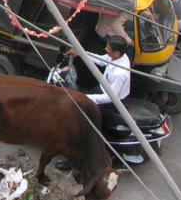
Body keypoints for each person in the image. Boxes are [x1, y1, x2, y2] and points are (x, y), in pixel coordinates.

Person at [56, 36, 135, 170]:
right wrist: (81, 53)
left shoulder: (120, 73)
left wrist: (86, 98)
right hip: (102, 89)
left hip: (108, 103)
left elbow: (109, 98)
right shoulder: (117, 57)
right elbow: (103, 59)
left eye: (109, 49)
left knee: (82, 129)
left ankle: (75, 161)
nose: (106, 50)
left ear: (116, 52)